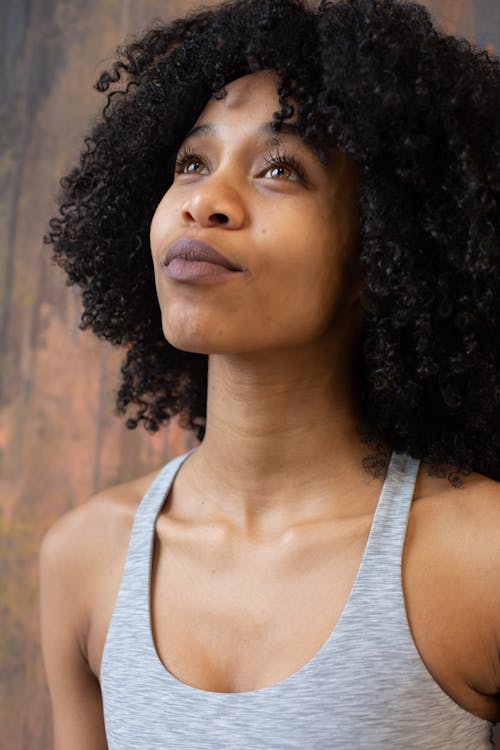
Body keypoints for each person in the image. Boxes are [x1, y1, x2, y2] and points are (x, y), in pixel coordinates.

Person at [39, 0, 500, 747]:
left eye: (281, 169)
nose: (205, 202)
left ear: (381, 256)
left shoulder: (483, 557)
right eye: (192, 162)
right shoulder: (84, 557)